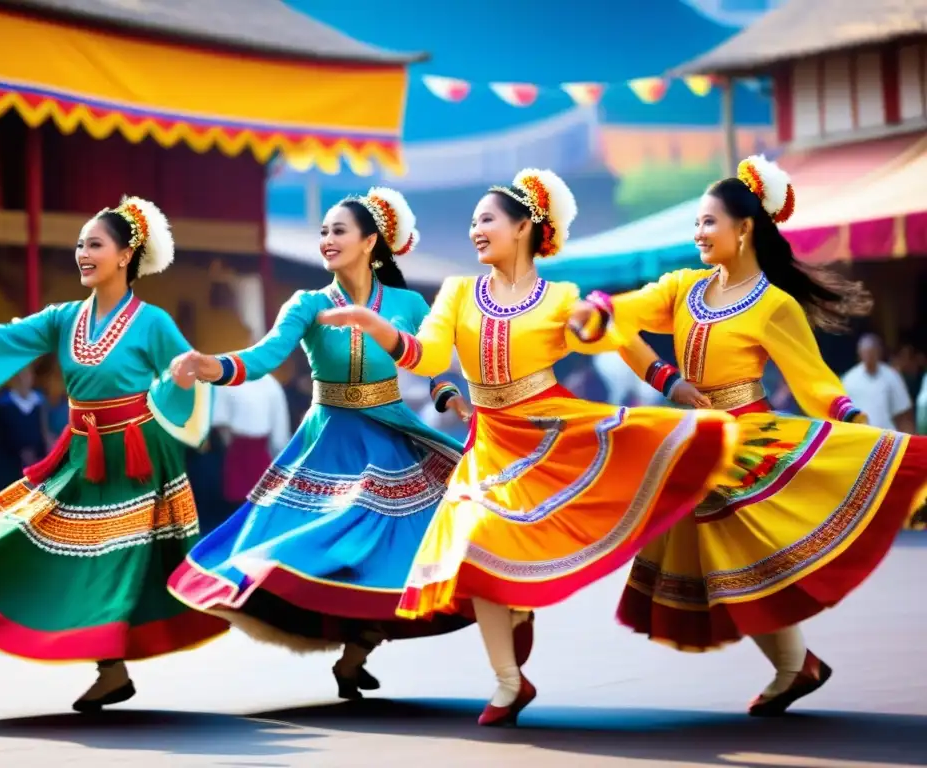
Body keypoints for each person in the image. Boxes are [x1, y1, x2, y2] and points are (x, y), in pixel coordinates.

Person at [317, 169, 738, 726]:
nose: (475, 230)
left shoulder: (560, 298)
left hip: (551, 434)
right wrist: (378, 326)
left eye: (486, 219)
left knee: (512, 549)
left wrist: (670, 382)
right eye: (472, 222)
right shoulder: (457, 293)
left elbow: (614, 335)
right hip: (488, 443)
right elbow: (430, 357)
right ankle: (510, 682)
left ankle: (516, 615)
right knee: (473, 539)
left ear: (523, 228)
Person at [601, 155, 927, 716]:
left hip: (747, 438)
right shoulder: (681, 289)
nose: (698, 233)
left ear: (744, 227)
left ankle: (794, 664)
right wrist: (665, 377)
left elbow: (813, 379)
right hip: (697, 436)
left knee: (734, 555)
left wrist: (851, 421)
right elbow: (614, 319)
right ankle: (796, 665)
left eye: (708, 222)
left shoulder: (773, 304)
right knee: (723, 564)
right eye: (696, 223)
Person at [0, 196, 226, 712]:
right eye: (79, 244)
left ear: (125, 256)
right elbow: (5, 336)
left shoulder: (153, 322)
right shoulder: (62, 318)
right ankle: (107, 666)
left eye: (94, 244)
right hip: (79, 455)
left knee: (116, 563)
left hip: (138, 459)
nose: (82, 253)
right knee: (42, 545)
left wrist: (184, 383)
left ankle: (111, 667)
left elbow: (186, 374)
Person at [166, 188, 471, 699]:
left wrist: (447, 398)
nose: (327, 240)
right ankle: (342, 641)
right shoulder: (307, 304)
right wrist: (209, 367)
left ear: (370, 241)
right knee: (326, 543)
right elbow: (262, 358)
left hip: (392, 435)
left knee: (404, 550)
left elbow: (430, 361)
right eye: (323, 231)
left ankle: (357, 654)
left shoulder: (407, 304)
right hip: (328, 439)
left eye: (339, 231)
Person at [210, 327, 292, 508]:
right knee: (236, 508)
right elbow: (220, 424)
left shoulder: (270, 384)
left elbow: (280, 434)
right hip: (236, 453)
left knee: (260, 505)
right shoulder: (225, 380)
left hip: (259, 454)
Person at [841, 334, 915, 432]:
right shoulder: (849, 380)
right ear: (860, 353)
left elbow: (903, 413)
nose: (869, 356)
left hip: (888, 436)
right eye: (866, 353)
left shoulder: (892, 376)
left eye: (872, 352)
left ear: (879, 352)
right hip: (860, 436)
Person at [0, 368, 50, 486]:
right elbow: (1, 433)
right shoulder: (4, 403)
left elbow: (43, 427)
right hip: (10, 459)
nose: (25, 379)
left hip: (36, 455)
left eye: (28, 375)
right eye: (21, 376)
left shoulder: (38, 401)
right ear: (14, 379)